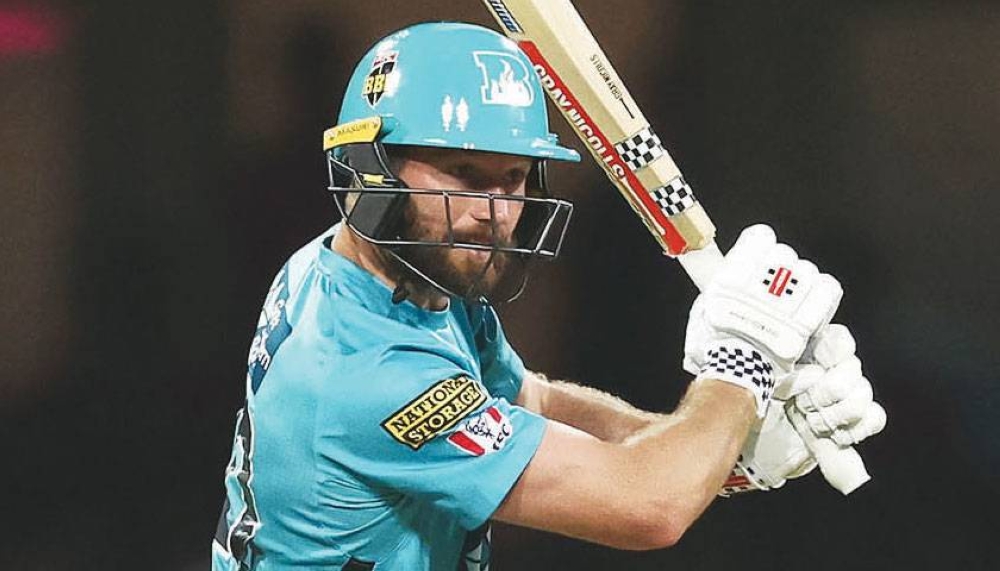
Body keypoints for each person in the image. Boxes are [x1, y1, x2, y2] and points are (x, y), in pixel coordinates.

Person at [212, 22, 886, 570]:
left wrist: (728, 445)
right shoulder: (365, 375)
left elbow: (528, 400)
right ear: (367, 167)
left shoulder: (388, 269)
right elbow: (649, 508)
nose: (496, 211)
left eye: (512, 177)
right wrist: (741, 368)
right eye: (465, 173)